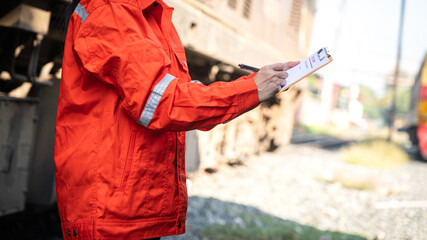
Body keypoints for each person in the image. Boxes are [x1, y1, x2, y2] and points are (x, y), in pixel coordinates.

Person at [54, 0, 299, 239]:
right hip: (111, 211)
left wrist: (256, 84)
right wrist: (252, 89)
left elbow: (181, 97)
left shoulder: (151, 15)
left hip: (128, 208)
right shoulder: (112, 11)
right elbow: (163, 103)